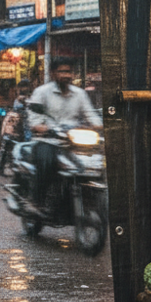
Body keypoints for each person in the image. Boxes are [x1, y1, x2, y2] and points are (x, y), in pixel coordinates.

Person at [25, 57, 102, 214]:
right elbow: (33, 121)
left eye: (69, 71)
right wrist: (44, 128)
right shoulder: (42, 92)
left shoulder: (80, 94)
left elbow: (91, 115)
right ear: (53, 73)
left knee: (96, 163)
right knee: (47, 160)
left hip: (72, 143)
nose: (66, 75)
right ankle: (37, 201)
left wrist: (99, 125)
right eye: (62, 71)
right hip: (48, 140)